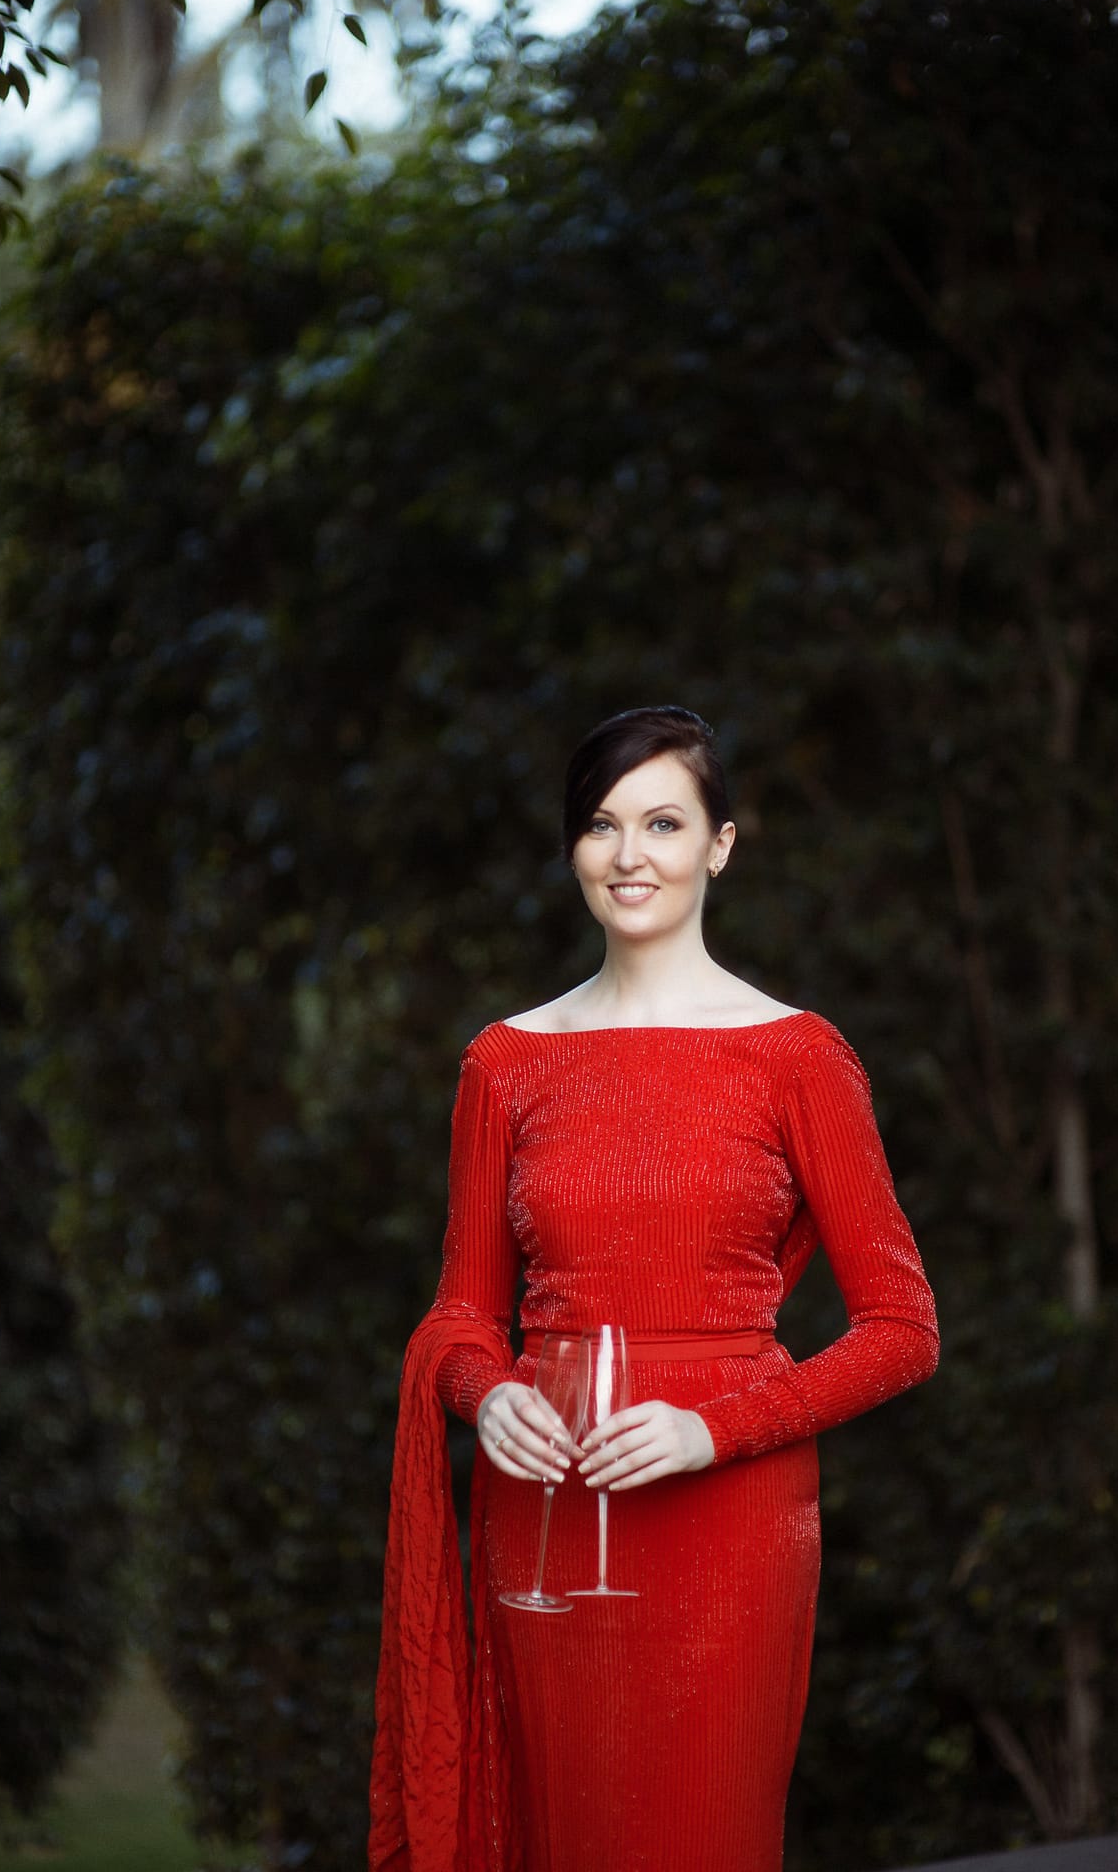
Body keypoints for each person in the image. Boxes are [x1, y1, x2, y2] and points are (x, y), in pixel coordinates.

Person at [369, 705, 939, 1872]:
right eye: (600, 825)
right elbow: (462, 1311)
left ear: (720, 845)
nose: (629, 856)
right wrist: (484, 1393)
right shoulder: (505, 1062)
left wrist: (710, 1431)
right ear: (573, 848)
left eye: (663, 822)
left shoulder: (797, 1056)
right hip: (544, 1511)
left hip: (726, 1528)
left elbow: (904, 1329)